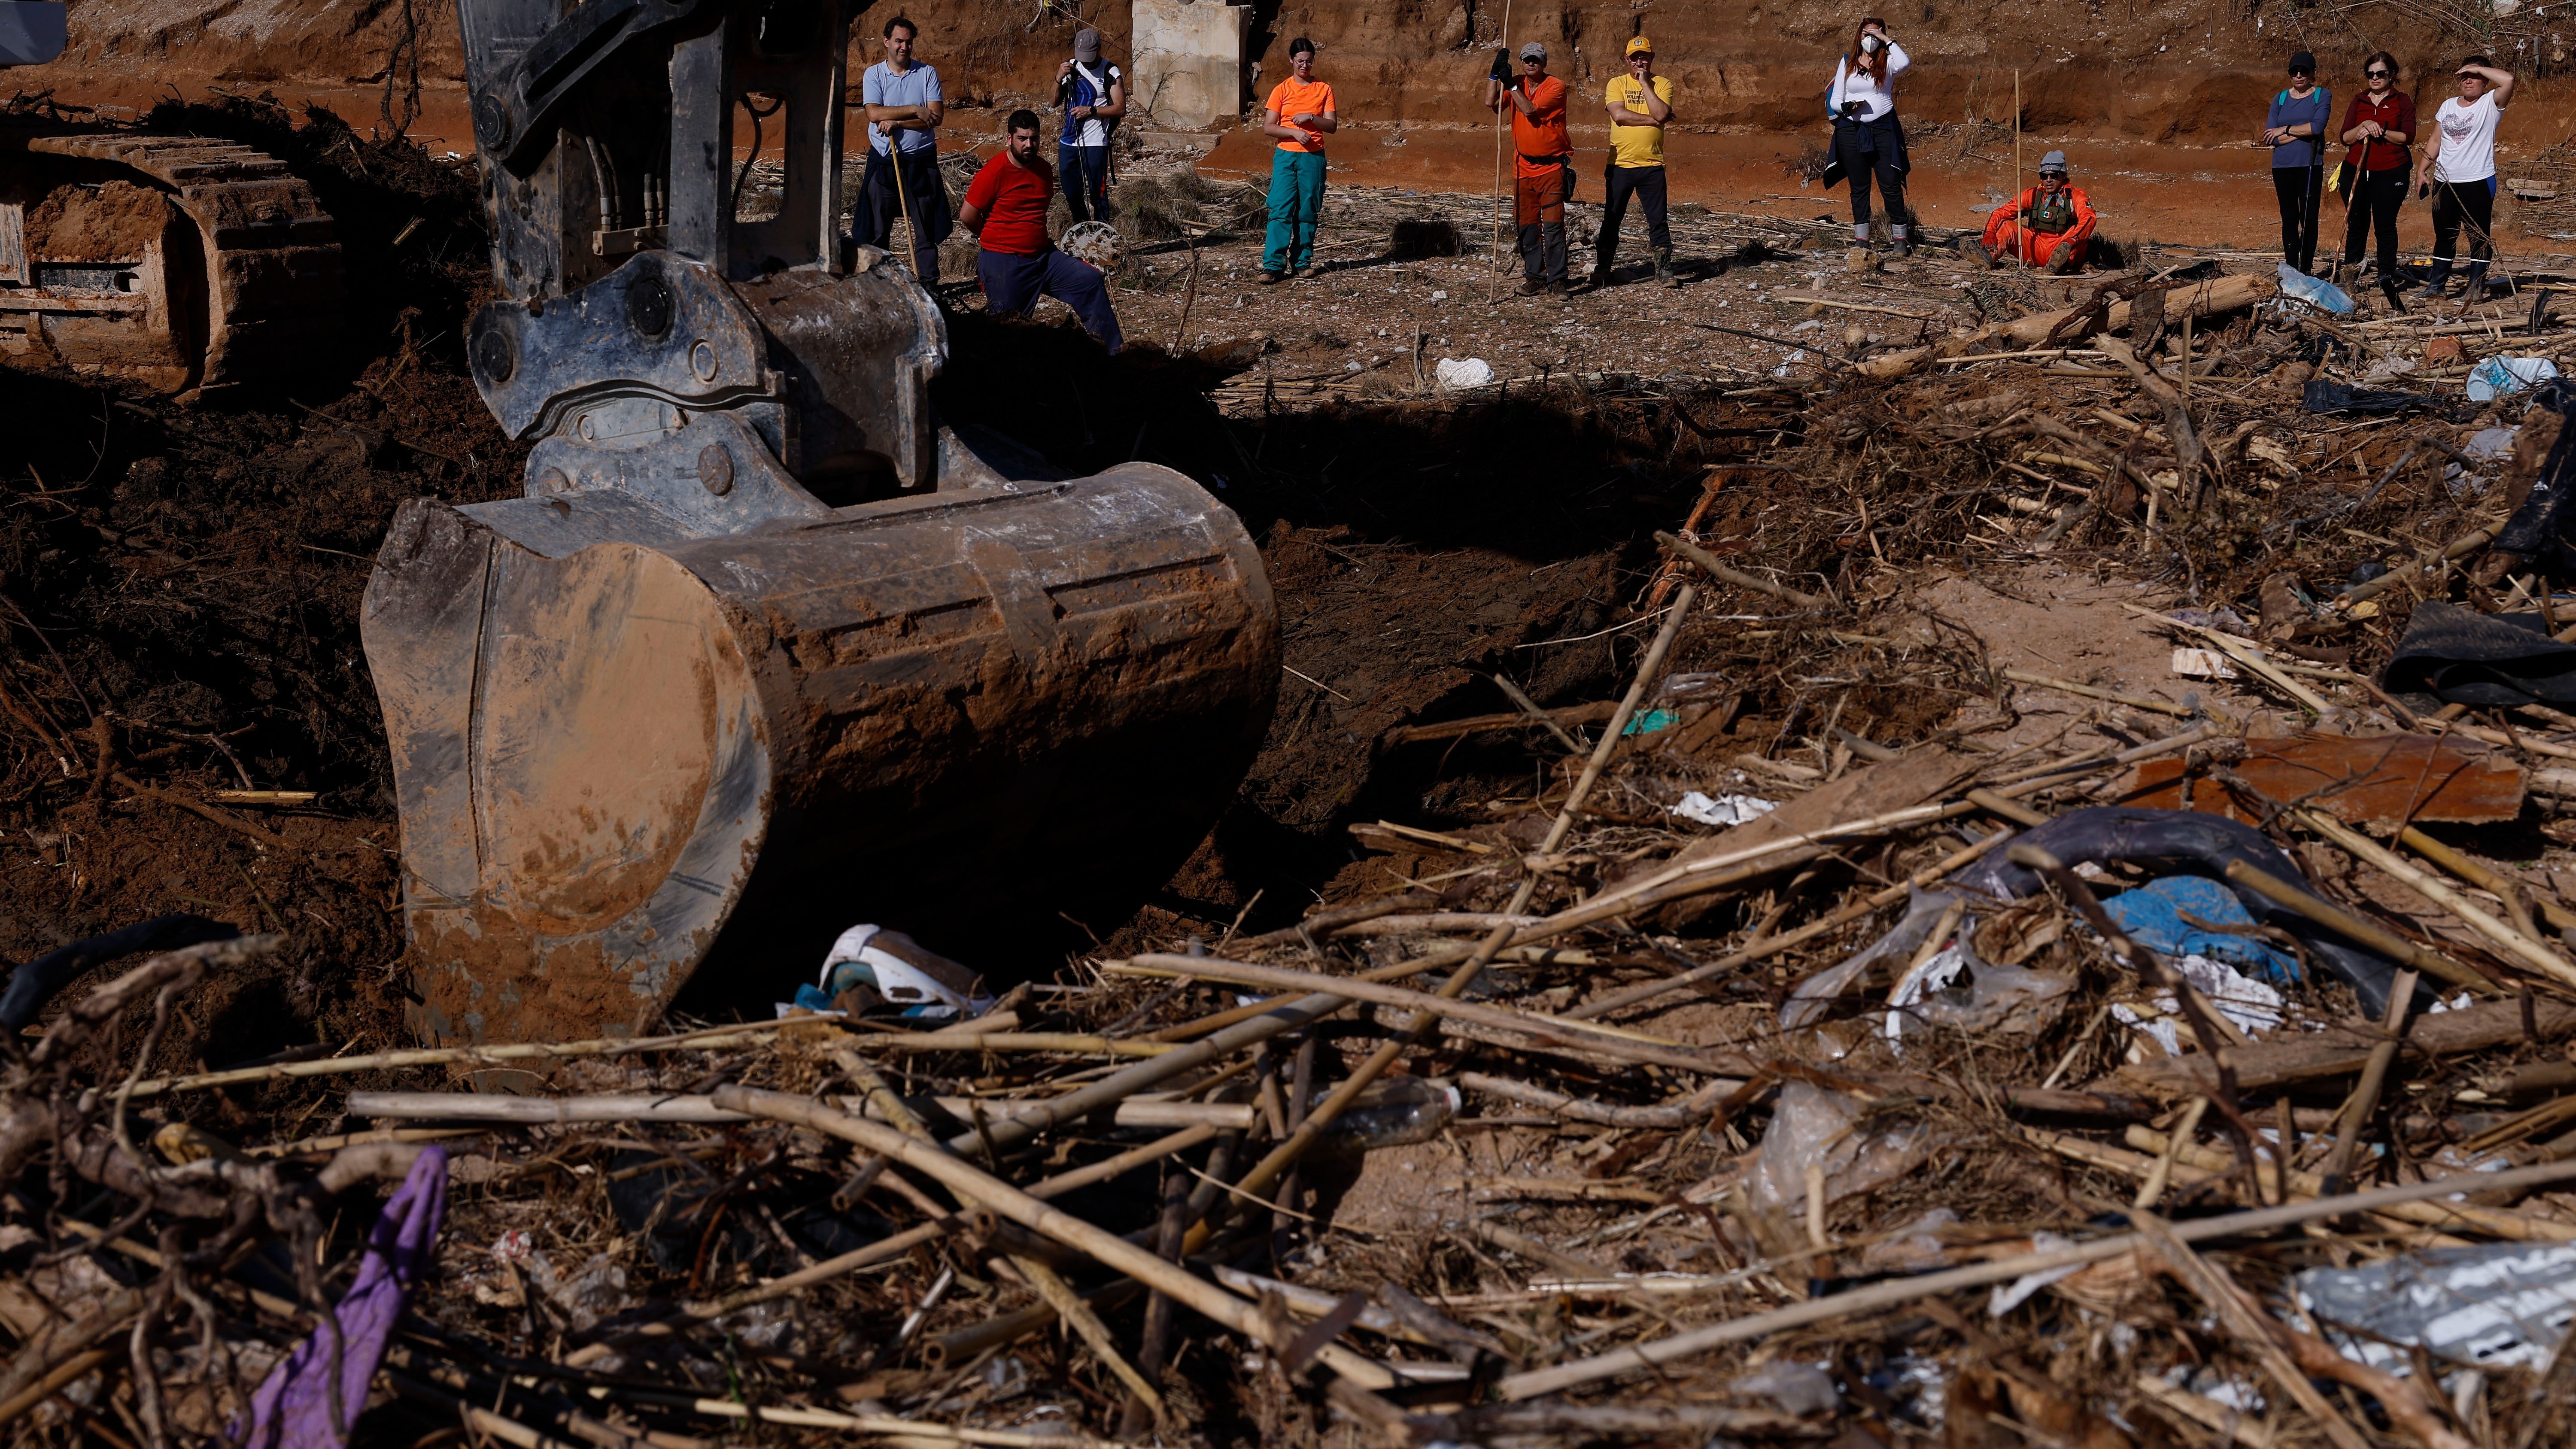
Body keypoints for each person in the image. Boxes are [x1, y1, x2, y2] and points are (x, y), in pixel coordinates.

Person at [961, 109, 1123, 352]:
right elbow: (968, 216)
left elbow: (1038, 212)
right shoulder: (994, 172)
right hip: (1005, 261)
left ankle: (1113, 356)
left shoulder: (1044, 170)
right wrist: (994, 236)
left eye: (1034, 138)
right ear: (1009, 139)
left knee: (1089, 281)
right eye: (1022, 139)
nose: (1029, 144)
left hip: (1044, 257)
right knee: (1006, 332)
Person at [853, 15, 951, 281]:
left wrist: (897, 121)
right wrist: (914, 110)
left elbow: (935, 119)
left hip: (921, 164)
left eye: (908, 42)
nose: (904, 47)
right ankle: (880, 284)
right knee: (878, 232)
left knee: (925, 232)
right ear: (887, 42)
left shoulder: (927, 73)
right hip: (886, 162)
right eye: (898, 41)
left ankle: (929, 287)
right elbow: (873, 114)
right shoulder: (874, 74)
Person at [2418, 56, 2516, 300]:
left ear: (2486, 80)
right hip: (2445, 181)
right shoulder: (2448, 105)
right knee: (2445, 235)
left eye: (2474, 76)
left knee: (2478, 235)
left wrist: (2478, 67)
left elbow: (2509, 80)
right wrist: (2422, 170)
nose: (2469, 80)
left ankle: (2475, 289)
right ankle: (2437, 287)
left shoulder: (2490, 104)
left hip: (2478, 180)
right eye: (2464, 76)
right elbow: (2436, 140)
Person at [1484, 40, 1571, 296]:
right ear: (1522, 62)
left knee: (1553, 227)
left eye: (1536, 59)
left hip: (1551, 169)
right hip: (1523, 168)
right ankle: (1535, 276)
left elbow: (1531, 110)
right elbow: (1492, 103)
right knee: (1527, 226)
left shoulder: (1556, 87)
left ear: (1545, 62)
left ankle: (1558, 280)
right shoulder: (1517, 83)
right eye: (1527, 60)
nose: (1531, 63)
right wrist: (1493, 74)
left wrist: (1510, 84)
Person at [1827, 16, 1911, 263]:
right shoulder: (1848, 63)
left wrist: (1887, 41)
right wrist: (1845, 107)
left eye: (1876, 35)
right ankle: (1862, 241)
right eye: (1866, 34)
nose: (1870, 40)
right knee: (1859, 186)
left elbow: (1905, 63)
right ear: (1859, 36)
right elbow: (1835, 99)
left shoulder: (1888, 63)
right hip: (1851, 130)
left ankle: (1901, 240)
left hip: (1883, 127)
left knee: (1890, 182)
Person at [1596, 35, 1677, 288]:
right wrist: (1653, 120)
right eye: (1634, 58)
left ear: (1652, 58)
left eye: (1644, 57)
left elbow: (1662, 112)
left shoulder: (1662, 84)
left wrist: (1644, 84)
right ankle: (1603, 269)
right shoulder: (1616, 83)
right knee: (1612, 219)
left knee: (1658, 220)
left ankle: (1663, 271)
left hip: (1652, 165)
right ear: (1627, 59)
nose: (1639, 62)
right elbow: (1619, 115)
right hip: (1620, 165)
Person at [2336, 52, 2415, 310]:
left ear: (2392, 75)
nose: (2375, 78)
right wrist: (2363, 126)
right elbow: (2344, 137)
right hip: (2356, 169)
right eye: (2370, 74)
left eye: (2380, 73)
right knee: (2356, 223)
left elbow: (2407, 137)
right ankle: (2351, 274)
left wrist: (2380, 129)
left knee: (2385, 224)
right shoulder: (2359, 101)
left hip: (2392, 170)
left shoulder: (2401, 101)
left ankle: (2386, 275)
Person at [1259, 38, 1336, 283]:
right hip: (1286, 157)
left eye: (1310, 61)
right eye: (1301, 61)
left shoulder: (1324, 89)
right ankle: (1273, 266)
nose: (1305, 65)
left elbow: (1332, 126)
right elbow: (1269, 127)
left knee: (1308, 210)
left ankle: (1303, 263)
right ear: (1292, 60)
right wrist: (1293, 132)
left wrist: (1312, 118)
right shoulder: (1281, 90)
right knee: (1281, 209)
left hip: (1313, 158)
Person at [2263, 50, 2332, 275]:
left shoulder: (2322, 95)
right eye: (2295, 71)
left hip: (2310, 164)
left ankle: (2306, 269)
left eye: (2304, 71)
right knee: (2289, 218)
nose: (2299, 75)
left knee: (2309, 218)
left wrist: (2286, 129)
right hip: (2283, 166)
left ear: (2313, 73)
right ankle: (2292, 269)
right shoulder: (2280, 98)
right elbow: (2271, 137)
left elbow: (2318, 127)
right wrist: (2300, 131)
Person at [1975, 151, 2095, 272]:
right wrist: (1989, 233)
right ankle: (1987, 257)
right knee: (2005, 225)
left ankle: (2058, 265)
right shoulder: (2033, 195)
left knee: (2078, 231)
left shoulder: (2075, 196)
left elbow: (2089, 218)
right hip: (2036, 248)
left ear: (2063, 175)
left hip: (2063, 247)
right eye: (2044, 176)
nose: (2049, 180)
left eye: (2054, 175)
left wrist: (2071, 241)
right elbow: (2001, 212)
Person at [1054, 27, 1125, 223]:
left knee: (1098, 195)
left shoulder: (1111, 72)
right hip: (1069, 142)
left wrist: (1092, 111)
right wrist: (1058, 77)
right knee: (1073, 194)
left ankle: (1102, 236)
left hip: (1096, 142)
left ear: (1099, 49)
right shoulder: (1071, 67)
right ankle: (1082, 233)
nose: (1085, 61)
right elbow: (1053, 102)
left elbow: (1120, 109)